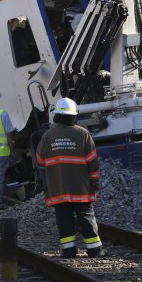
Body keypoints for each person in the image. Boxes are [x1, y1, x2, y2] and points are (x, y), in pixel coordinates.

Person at [35, 98, 103, 258]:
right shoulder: (83, 134)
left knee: (63, 217)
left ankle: (69, 250)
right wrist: (95, 181)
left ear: (56, 115)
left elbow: (40, 160)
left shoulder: (48, 136)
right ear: (73, 116)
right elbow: (93, 162)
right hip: (81, 186)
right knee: (86, 215)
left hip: (58, 187)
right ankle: (95, 250)